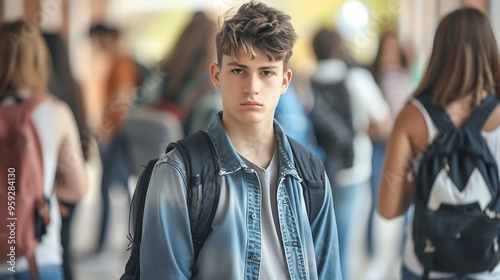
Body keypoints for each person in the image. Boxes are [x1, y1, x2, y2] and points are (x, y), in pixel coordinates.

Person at [139, 2, 342, 279]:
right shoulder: (178, 172)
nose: (252, 87)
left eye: (267, 72)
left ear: (285, 81)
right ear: (216, 75)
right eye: (238, 70)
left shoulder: (311, 173)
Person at [378, 7, 500, 280]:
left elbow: (387, 209)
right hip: (490, 267)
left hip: (424, 265)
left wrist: (415, 186)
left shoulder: (412, 116)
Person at [0, 19, 87, 280]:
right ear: (40, 60)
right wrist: (38, 188)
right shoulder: (56, 113)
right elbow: (77, 187)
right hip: (40, 256)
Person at [309, 26, 392, 280]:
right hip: (350, 167)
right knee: (341, 241)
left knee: (317, 238)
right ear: (338, 47)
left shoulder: (307, 79)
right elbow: (383, 120)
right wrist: (358, 130)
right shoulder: (354, 77)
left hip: (314, 167)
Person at [364, 29, 414, 279]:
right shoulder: (372, 78)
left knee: (408, 200)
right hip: (381, 146)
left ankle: (404, 251)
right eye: (387, 49)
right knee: (376, 198)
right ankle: (375, 256)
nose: (390, 54)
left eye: (394, 49)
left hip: (404, 147)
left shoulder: (408, 77)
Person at [88, 23, 138, 252]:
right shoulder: (120, 61)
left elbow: (122, 99)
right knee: (121, 188)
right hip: (117, 133)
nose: (95, 46)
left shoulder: (121, 63)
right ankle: (133, 239)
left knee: (108, 187)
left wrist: (107, 130)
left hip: (116, 135)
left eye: (97, 40)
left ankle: (107, 242)